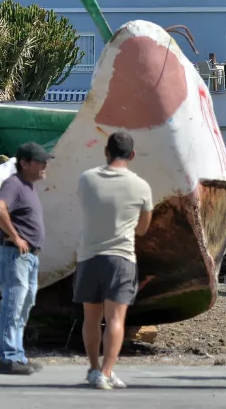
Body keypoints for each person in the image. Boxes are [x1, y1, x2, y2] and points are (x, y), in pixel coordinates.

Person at [74, 131, 154, 390]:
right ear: (132, 155)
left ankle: (95, 369)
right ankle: (107, 372)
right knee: (116, 319)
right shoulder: (141, 186)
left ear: (106, 152)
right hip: (121, 258)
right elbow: (143, 228)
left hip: (89, 257)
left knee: (91, 318)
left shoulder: (86, 179)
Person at [0, 142, 52, 375]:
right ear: (25, 163)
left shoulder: (27, 186)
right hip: (15, 255)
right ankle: (8, 358)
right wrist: (15, 236)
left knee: (24, 305)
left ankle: (17, 354)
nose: (46, 165)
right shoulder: (14, 184)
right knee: (13, 304)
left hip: (29, 257)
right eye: (41, 161)